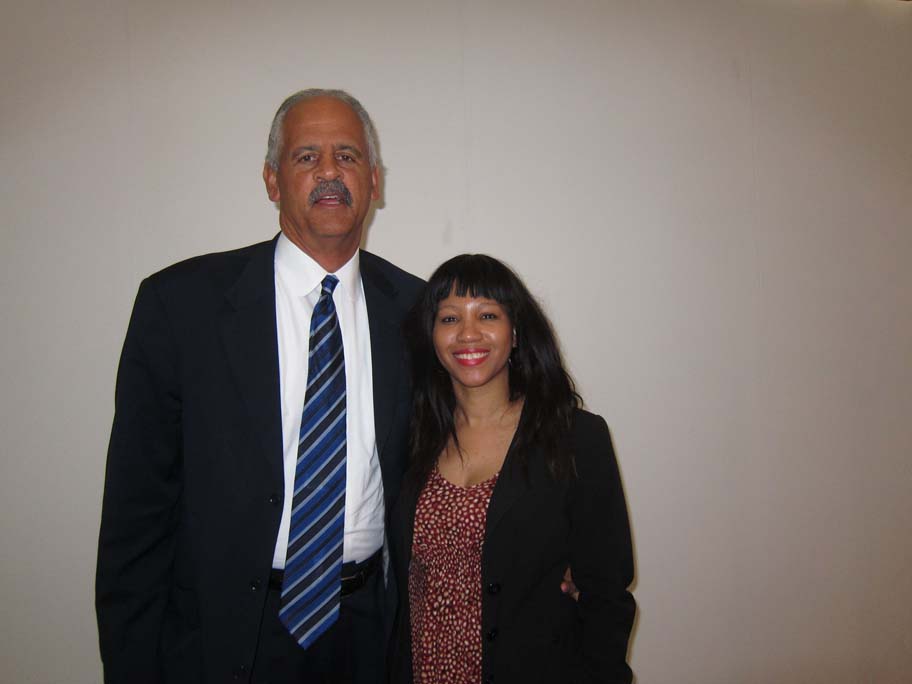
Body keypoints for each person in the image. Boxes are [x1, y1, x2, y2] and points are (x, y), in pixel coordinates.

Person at [95, 89, 423, 683]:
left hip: (370, 633)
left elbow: (475, 442)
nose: (329, 172)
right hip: (226, 633)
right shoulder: (180, 306)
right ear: (272, 181)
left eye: (348, 156)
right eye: (306, 157)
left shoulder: (419, 311)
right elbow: (135, 516)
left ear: (374, 181)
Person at [388, 254, 636, 683]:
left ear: (516, 331)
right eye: (449, 318)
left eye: (487, 315)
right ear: (431, 335)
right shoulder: (411, 437)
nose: (468, 333)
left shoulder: (575, 438)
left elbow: (607, 594)